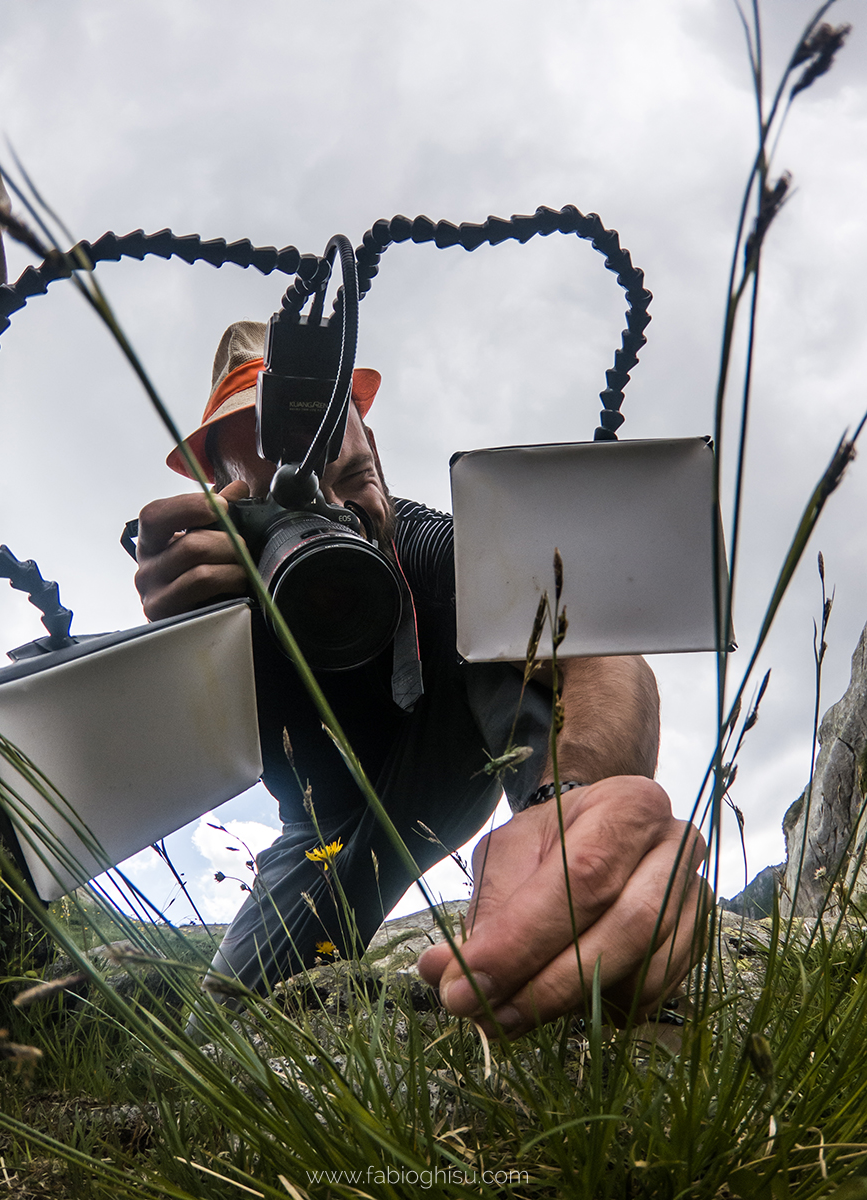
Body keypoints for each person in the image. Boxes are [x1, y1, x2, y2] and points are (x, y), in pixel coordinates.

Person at [135, 319, 709, 1038]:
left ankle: (560, 893)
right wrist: (183, 650)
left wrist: (580, 817)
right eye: (281, 510)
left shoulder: (432, 546)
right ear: (220, 504)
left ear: (373, 450)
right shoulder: (219, 601)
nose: (333, 523)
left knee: (500, 623)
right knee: (212, 1040)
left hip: (453, 752)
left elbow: (593, 653)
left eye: (348, 480)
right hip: (319, 831)